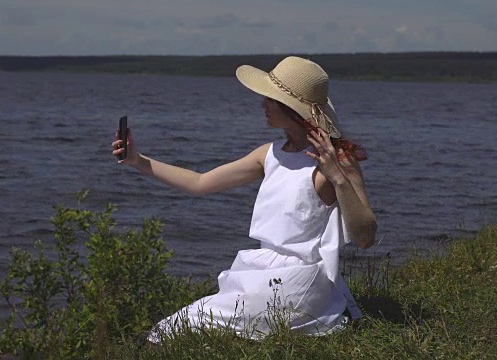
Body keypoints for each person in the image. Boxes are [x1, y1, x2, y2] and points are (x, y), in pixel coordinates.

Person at [111, 56, 377, 342]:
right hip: (264, 274)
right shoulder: (269, 153)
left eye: (269, 99)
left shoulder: (338, 161)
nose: (263, 104)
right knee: (177, 326)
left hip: (298, 281)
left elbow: (366, 237)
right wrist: (138, 160)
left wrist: (337, 178)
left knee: (174, 330)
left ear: (291, 109)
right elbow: (200, 183)